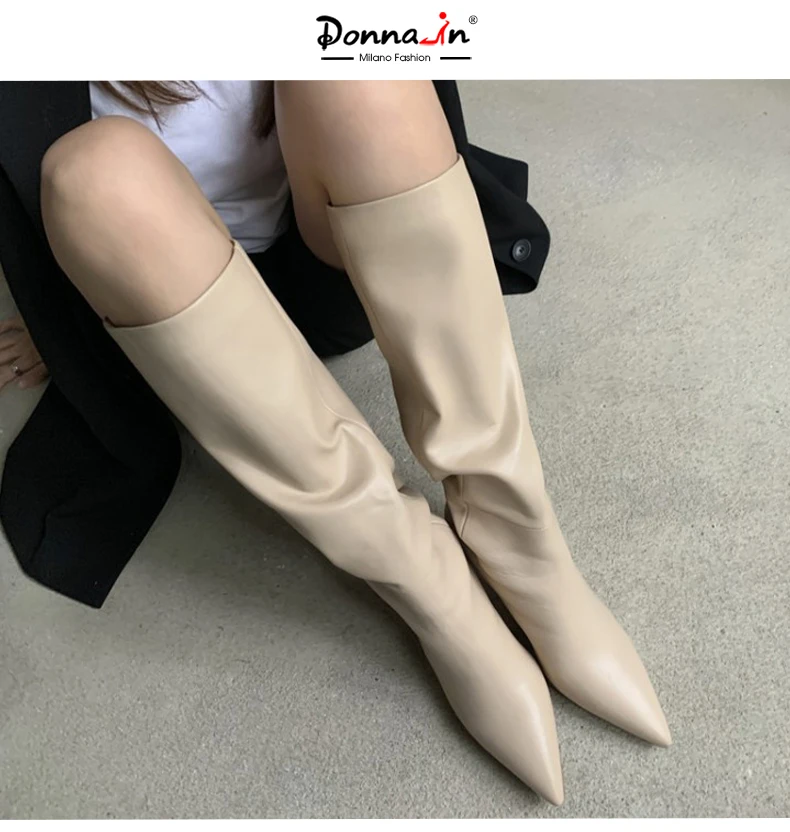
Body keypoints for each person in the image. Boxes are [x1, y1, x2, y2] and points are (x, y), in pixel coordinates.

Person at [0, 81, 670, 803]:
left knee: (356, 63)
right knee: (94, 175)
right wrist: (60, 308)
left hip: (329, 239)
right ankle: (430, 586)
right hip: (171, 297)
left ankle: (522, 543)